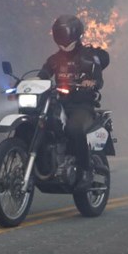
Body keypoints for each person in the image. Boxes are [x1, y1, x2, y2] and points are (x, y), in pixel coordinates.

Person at [38, 14, 110, 191]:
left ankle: (85, 171)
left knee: (74, 128)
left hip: (82, 105)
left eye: (65, 33)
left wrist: (91, 83)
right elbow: (42, 76)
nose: (62, 38)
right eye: (59, 34)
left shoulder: (89, 56)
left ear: (76, 33)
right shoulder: (54, 60)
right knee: (41, 124)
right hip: (58, 103)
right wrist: (28, 84)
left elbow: (98, 80)